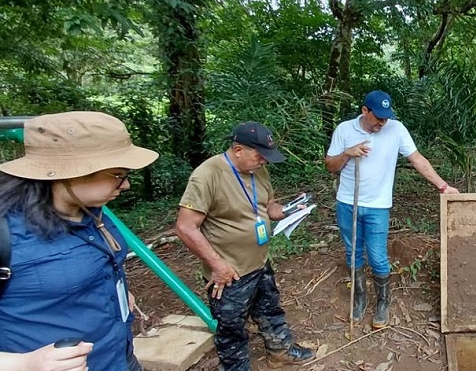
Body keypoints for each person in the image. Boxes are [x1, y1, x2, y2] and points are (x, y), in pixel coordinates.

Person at [0, 111, 159, 370]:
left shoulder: (93, 210)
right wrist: (26, 363)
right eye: (118, 174)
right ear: (72, 173)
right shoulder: (7, 232)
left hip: (119, 358)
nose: (126, 184)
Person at [175, 121, 314, 371]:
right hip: (230, 272)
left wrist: (289, 210)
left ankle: (280, 352)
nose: (264, 162)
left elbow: (268, 206)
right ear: (238, 149)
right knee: (231, 328)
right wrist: (217, 265)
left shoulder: (258, 169)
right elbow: (185, 227)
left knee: (270, 310)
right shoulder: (207, 175)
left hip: (259, 262)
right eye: (260, 156)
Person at [325, 90, 459, 329]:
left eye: (386, 117)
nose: (383, 122)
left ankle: (383, 302)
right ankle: (360, 298)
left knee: (377, 257)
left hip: (378, 206)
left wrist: (443, 186)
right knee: (353, 252)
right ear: (364, 111)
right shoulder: (344, 130)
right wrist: (347, 153)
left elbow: (417, 159)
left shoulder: (396, 129)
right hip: (348, 202)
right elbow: (330, 166)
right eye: (378, 117)